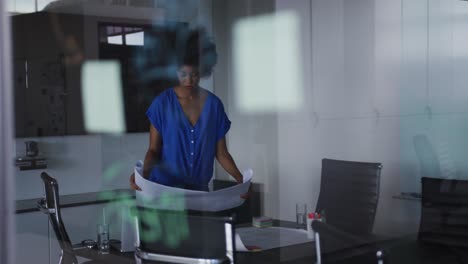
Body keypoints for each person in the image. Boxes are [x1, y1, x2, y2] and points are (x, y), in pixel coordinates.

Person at [129, 27, 246, 196]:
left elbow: (221, 153)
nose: (189, 80)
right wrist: (142, 176)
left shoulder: (214, 105)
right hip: (164, 192)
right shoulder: (162, 103)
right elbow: (153, 150)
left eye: (195, 74)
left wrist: (240, 180)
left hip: (199, 193)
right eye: (183, 74)